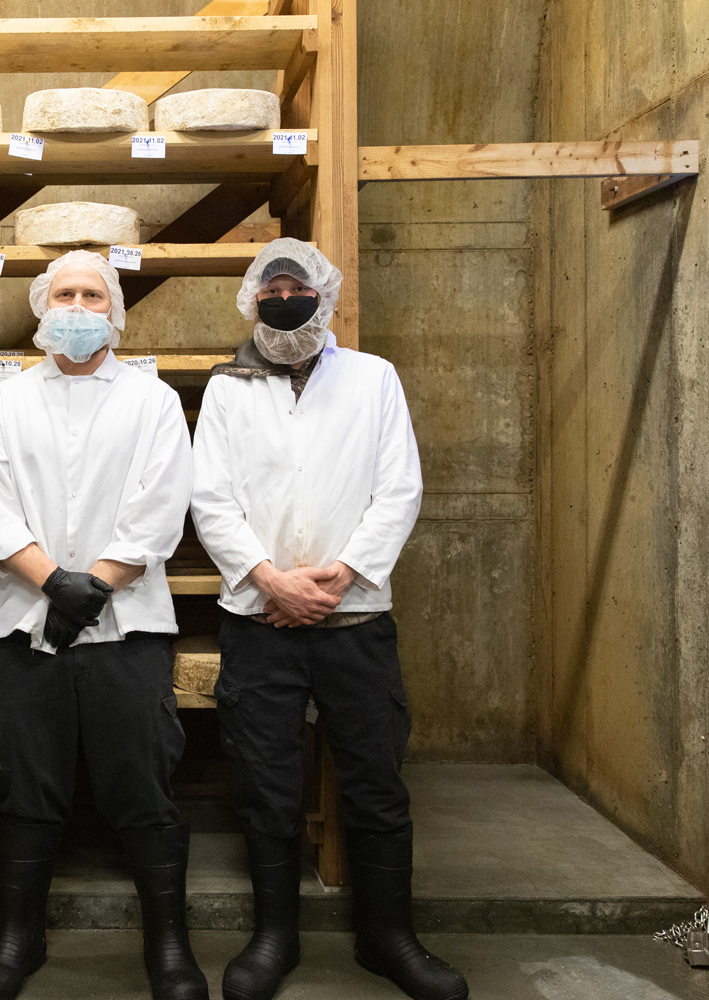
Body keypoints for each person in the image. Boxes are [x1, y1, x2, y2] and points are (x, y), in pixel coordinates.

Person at [190, 238, 468, 1000]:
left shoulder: (373, 379)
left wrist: (338, 578)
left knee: (376, 784)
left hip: (356, 622)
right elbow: (210, 498)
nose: (286, 299)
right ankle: (273, 937)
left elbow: (398, 489)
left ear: (327, 296)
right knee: (265, 787)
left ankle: (389, 938)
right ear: (253, 301)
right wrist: (272, 582)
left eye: (299, 287)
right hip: (260, 621)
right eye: (272, 290)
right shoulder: (228, 389)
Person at [0, 250, 203, 1000]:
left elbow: (159, 508)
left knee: (141, 782)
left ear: (116, 311)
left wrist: (92, 587)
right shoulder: (4, 402)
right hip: (23, 625)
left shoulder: (151, 401)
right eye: (62, 292)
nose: (75, 304)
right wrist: (53, 583)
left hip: (129, 627)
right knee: (24, 783)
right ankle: (17, 939)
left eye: (91, 294)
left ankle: (169, 945)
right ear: (41, 307)